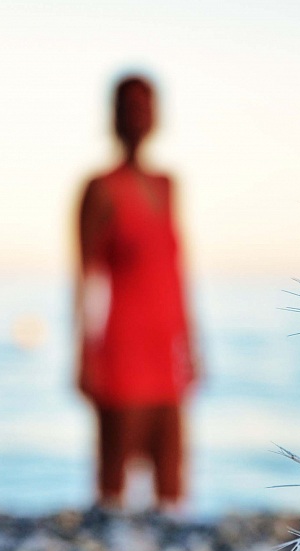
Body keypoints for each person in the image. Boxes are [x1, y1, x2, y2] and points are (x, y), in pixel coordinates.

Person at [75, 74, 199, 514]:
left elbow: (176, 273)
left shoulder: (168, 185)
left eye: (145, 106)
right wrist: (85, 356)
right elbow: (85, 277)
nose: (137, 115)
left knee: (173, 488)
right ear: (113, 116)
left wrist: (192, 346)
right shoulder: (100, 189)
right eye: (128, 106)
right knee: (114, 489)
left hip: (166, 350)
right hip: (122, 352)